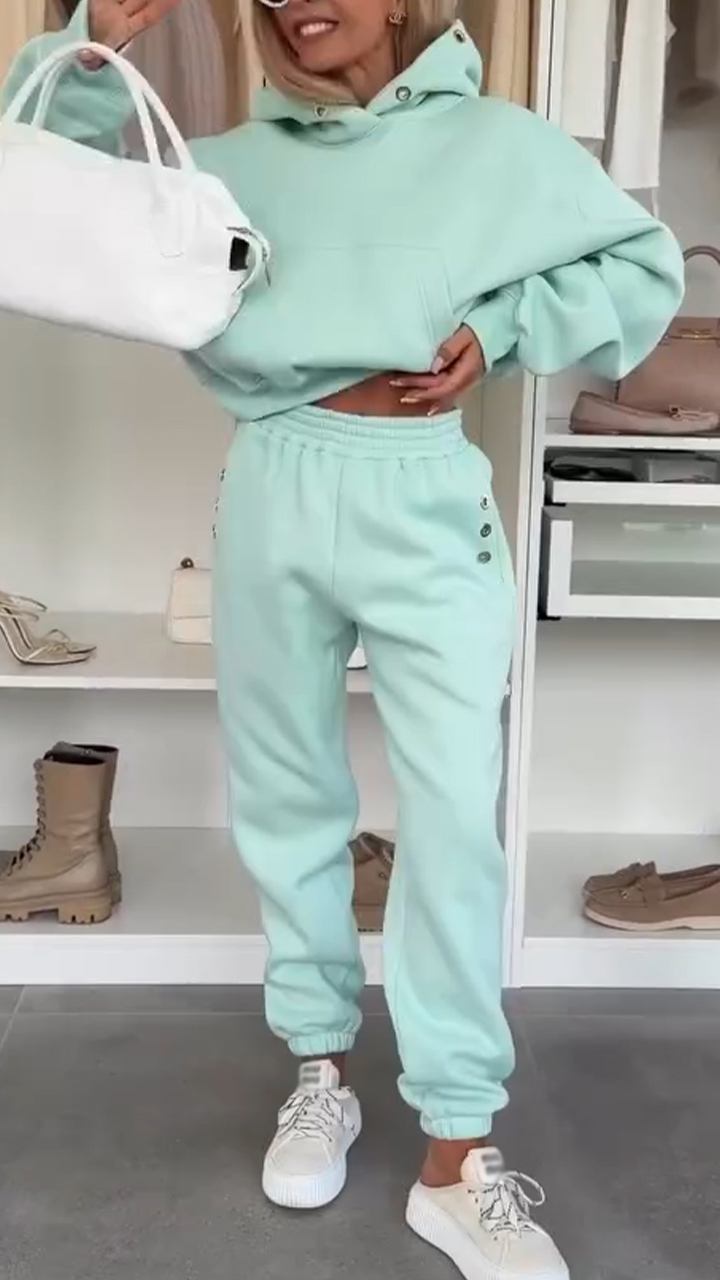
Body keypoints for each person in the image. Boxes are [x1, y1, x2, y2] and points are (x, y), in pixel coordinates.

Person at [4, 2, 684, 1277]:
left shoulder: (497, 143)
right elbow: (33, 173)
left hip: (424, 488)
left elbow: (643, 265)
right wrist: (98, 37)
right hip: (275, 476)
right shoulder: (229, 163)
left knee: (453, 817)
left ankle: (457, 1150)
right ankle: (319, 1069)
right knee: (287, 797)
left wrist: (503, 329)